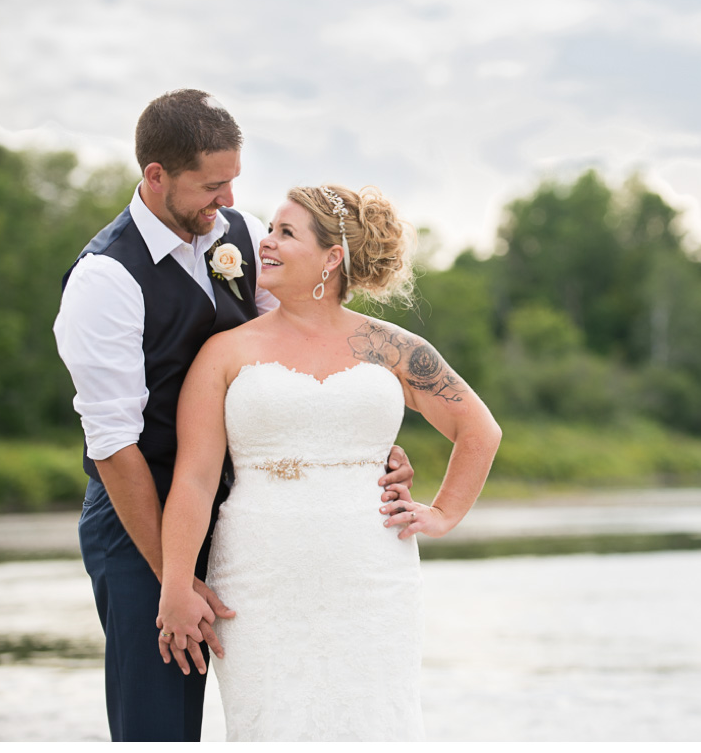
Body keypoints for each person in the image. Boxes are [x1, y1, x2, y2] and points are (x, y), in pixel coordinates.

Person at [53, 91, 416, 742]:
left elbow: (296, 347)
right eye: (210, 185)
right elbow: (113, 446)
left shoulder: (240, 235)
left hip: (249, 513)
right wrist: (175, 579)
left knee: (283, 700)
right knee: (158, 724)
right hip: (143, 512)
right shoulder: (104, 280)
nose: (225, 201)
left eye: (232, 183)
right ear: (156, 176)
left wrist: (354, 443)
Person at [155, 184, 502, 741]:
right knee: (270, 723)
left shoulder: (390, 347)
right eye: (269, 229)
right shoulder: (225, 352)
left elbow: (479, 430)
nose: (264, 243)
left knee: (374, 721)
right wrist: (176, 582)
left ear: (332, 257)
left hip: (370, 573)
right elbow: (194, 480)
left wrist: (440, 513)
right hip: (258, 572)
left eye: (285, 233)